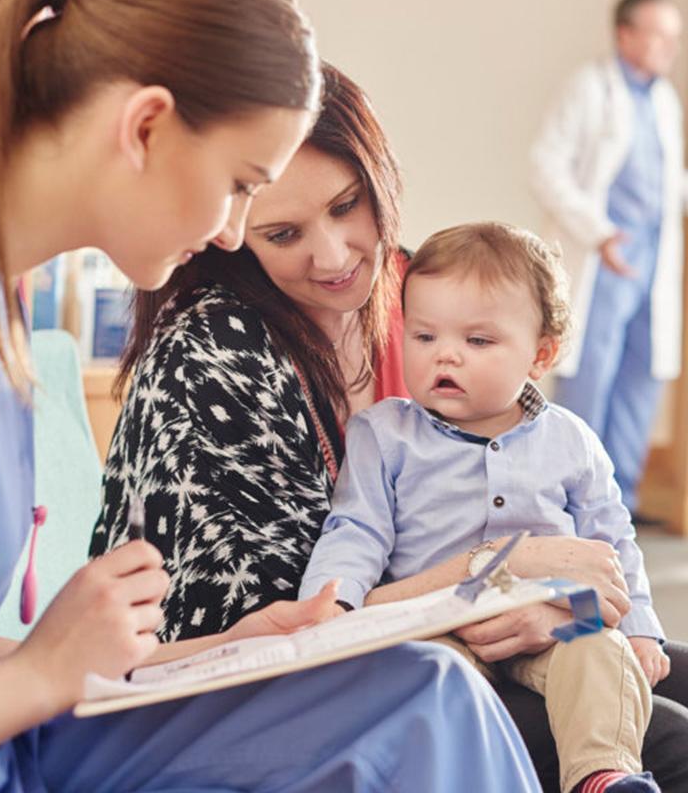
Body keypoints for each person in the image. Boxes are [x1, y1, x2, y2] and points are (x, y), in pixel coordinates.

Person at [0, 0, 544, 793]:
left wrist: (210, 651)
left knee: (422, 694)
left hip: (0, 742)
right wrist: (41, 675)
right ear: (143, 127)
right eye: (242, 186)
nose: (230, 232)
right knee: (427, 712)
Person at [93, 64, 688, 792]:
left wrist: (565, 615)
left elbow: (603, 548)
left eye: (349, 205)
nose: (336, 254)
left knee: (658, 673)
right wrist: (503, 573)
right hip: (289, 690)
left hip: (471, 625)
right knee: (671, 742)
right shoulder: (215, 353)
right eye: (284, 233)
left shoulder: (406, 296)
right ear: (235, 231)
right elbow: (290, 629)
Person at [299, 221, 669, 793]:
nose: (446, 355)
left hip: (557, 617)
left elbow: (613, 540)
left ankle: (601, 774)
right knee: (433, 682)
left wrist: (641, 627)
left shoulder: (572, 440)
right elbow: (356, 527)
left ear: (540, 354)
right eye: (424, 337)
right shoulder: (385, 434)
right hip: (437, 622)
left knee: (603, 648)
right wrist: (332, 602)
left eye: (478, 342)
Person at [531, 0, 686, 517]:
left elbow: (667, 182)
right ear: (625, 34)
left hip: (650, 261)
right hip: (603, 255)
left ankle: (624, 501)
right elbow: (545, 165)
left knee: (641, 377)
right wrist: (597, 232)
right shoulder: (589, 88)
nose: (670, 46)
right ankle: (576, 502)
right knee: (589, 377)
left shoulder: (664, 99)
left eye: (674, 35)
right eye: (658, 34)